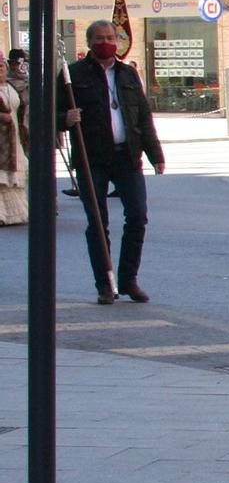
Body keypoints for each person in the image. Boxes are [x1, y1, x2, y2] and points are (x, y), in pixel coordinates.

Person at [60, 20, 162, 304]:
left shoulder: (128, 74)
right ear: (89, 42)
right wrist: (64, 120)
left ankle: (129, 279)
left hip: (126, 155)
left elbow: (142, 117)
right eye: (100, 38)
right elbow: (52, 114)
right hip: (91, 157)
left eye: (110, 37)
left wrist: (155, 154)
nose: (106, 42)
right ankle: (106, 283)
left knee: (138, 216)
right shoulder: (72, 75)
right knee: (97, 221)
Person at [0, 48, 26, 226]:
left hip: (13, 134)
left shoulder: (11, 86)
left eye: (1, 66)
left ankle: (13, 214)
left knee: (13, 173)